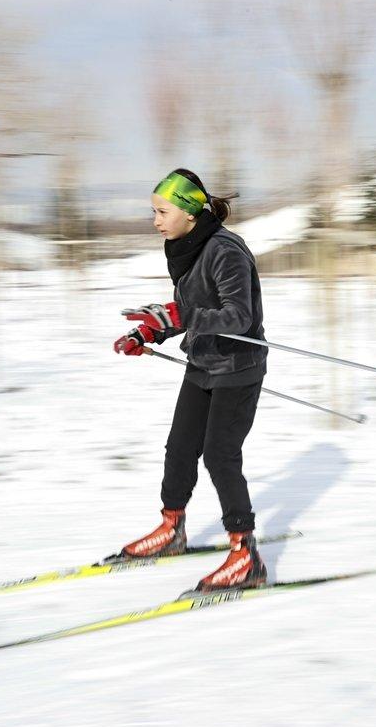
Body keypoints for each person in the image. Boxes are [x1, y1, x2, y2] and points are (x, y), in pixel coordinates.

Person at [110, 168, 269, 593]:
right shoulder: (184, 248)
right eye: (154, 212)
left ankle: (245, 554)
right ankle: (172, 528)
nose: (156, 220)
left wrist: (182, 316)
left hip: (238, 367)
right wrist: (150, 330)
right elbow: (188, 307)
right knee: (180, 447)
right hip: (202, 363)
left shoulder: (225, 250)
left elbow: (240, 316)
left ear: (189, 212)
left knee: (219, 455)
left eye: (162, 211)